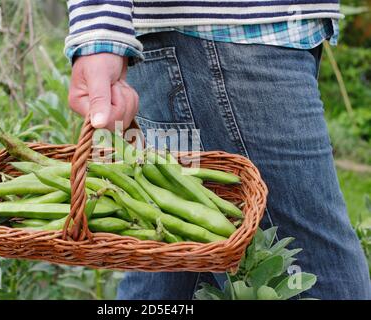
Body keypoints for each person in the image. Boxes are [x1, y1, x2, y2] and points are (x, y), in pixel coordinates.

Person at [65, 0, 371, 299]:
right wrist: (99, 29)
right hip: (225, 45)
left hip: (244, 44)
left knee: (173, 268)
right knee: (328, 284)